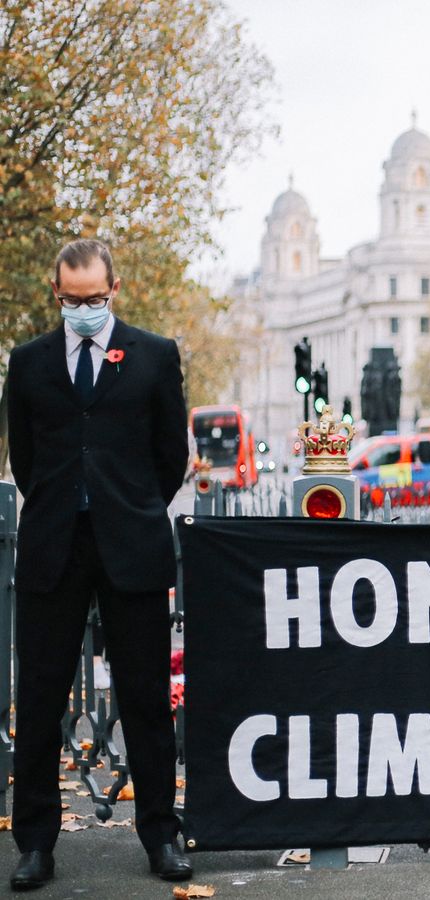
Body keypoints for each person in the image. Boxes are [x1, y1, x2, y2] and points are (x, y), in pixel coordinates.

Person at [5, 240, 192, 890]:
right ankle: (34, 845)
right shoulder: (27, 364)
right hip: (54, 549)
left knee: (145, 700)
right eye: (71, 300)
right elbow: (25, 459)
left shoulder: (154, 356)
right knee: (38, 701)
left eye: (95, 299)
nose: (83, 309)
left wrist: (134, 507)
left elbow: (172, 455)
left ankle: (162, 836)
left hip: (132, 548)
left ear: (115, 287)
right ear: (57, 293)